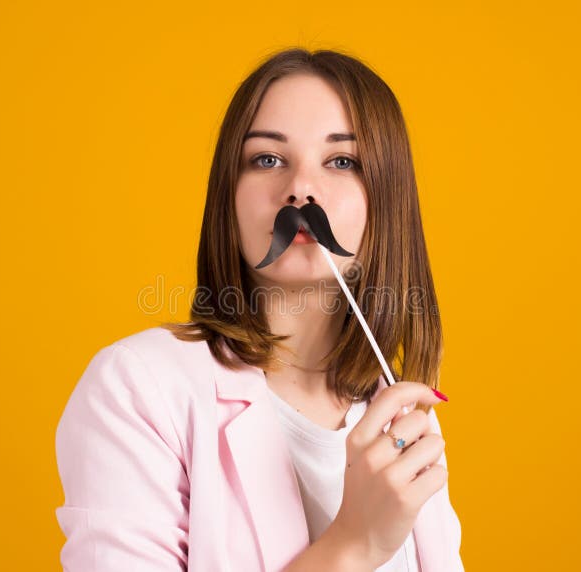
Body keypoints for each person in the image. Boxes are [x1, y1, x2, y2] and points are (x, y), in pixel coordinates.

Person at [55, 47, 465, 571]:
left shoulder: (401, 422)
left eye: (342, 161)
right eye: (267, 159)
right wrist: (355, 544)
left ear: (387, 199)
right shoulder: (138, 390)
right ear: (229, 194)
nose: (299, 190)